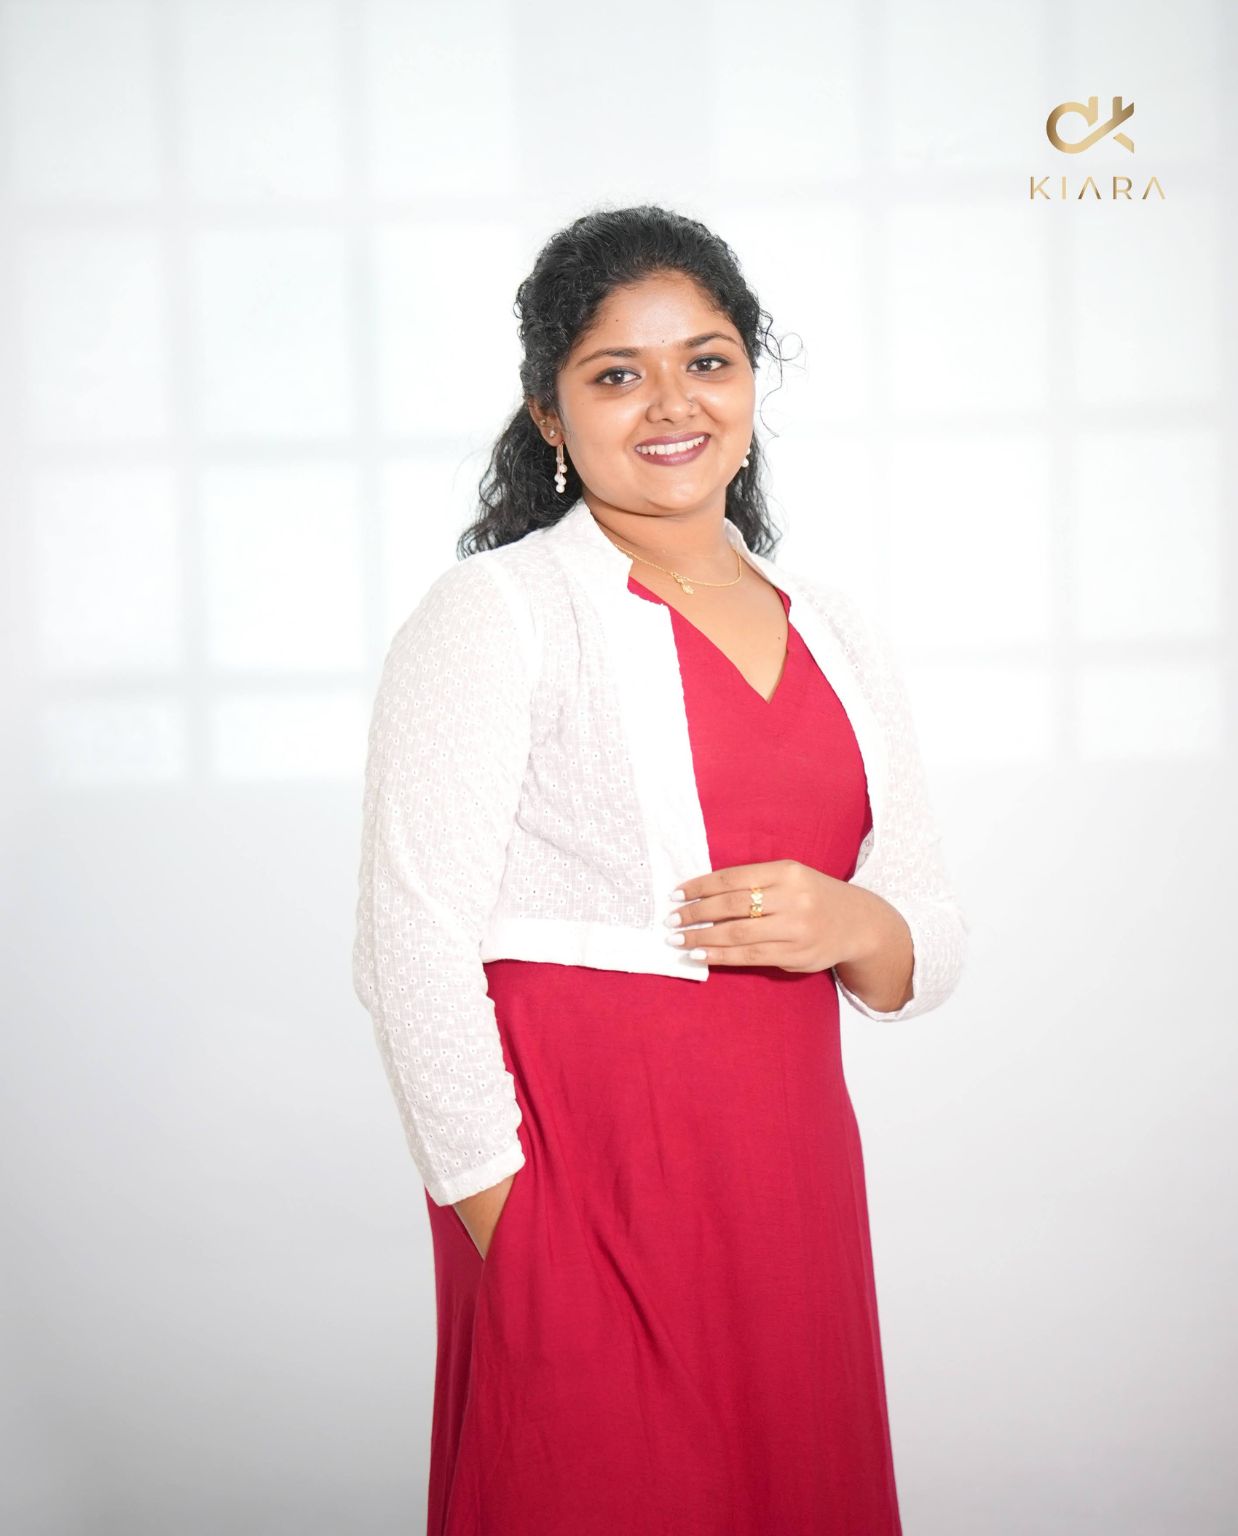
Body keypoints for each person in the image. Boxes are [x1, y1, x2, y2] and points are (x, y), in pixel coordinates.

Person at [352, 203, 968, 1536]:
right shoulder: (498, 613)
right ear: (550, 413)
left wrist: (849, 919)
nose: (671, 403)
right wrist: (505, 1221)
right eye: (616, 374)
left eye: (707, 360)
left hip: (788, 1174)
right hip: (581, 1180)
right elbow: (410, 944)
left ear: (751, 380)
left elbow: (920, 946)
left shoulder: (836, 628)